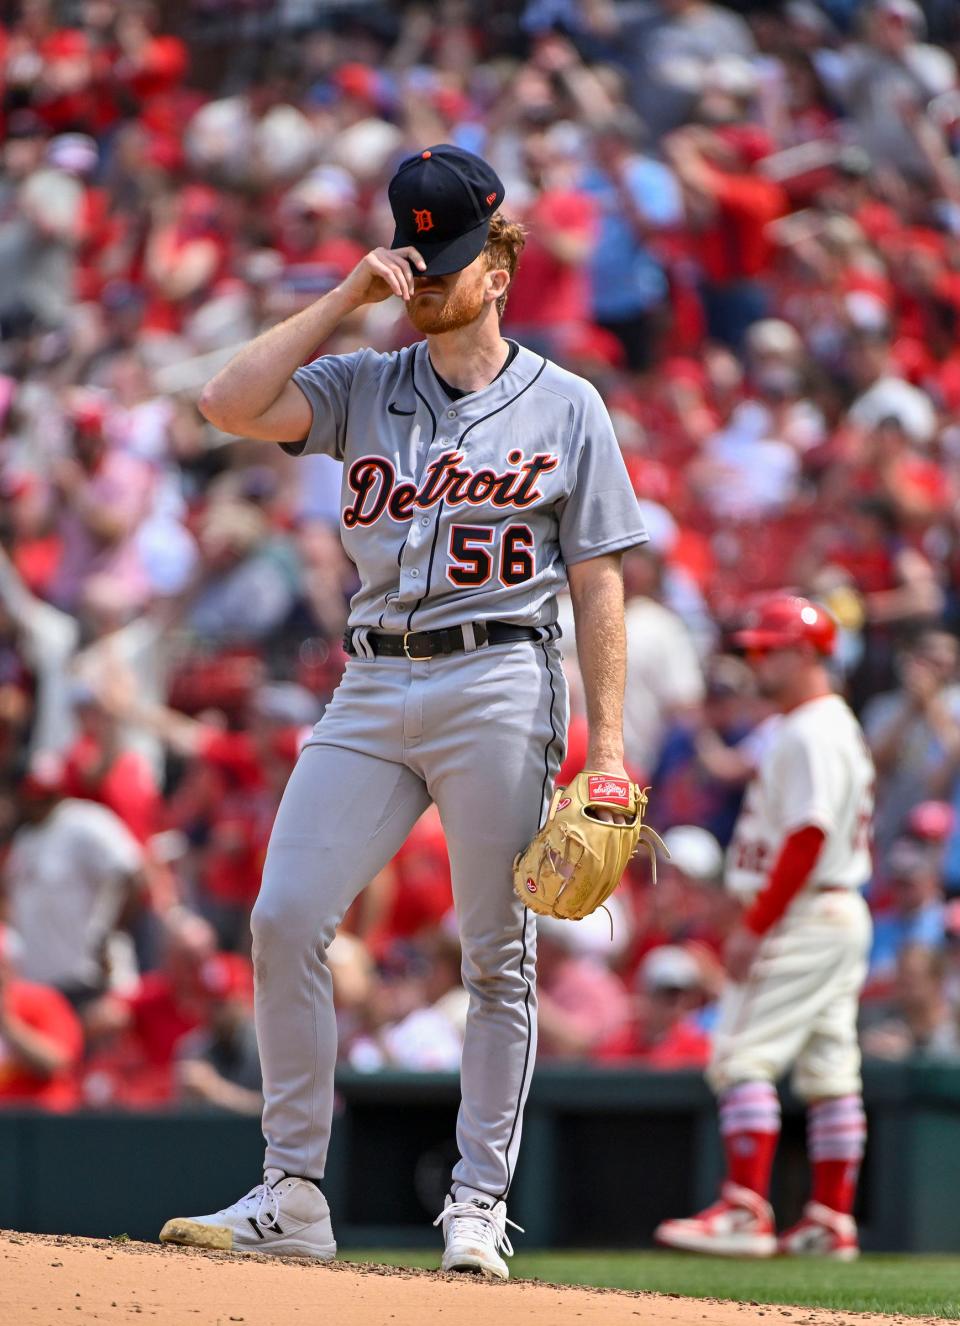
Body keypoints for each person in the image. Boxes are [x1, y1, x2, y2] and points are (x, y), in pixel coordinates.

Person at [158, 143, 647, 1279]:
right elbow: (224, 403)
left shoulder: (567, 406)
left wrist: (610, 748)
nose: (428, 280)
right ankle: (291, 1195)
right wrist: (345, 297)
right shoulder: (361, 383)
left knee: (496, 955)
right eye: (415, 258)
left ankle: (477, 1204)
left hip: (502, 675)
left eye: (450, 260)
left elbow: (601, 578)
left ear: (501, 266)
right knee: (284, 918)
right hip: (373, 678)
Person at [655, 595, 875, 1260]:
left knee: (741, 1056)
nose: (755, 660)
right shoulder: (814, 725)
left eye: (767, 649)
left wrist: (758, 922)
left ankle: (745, 1211)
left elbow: (807, 834)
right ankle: (829, 1219)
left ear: (806, 654)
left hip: (805, 909)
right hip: (833, 908)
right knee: (830, 1067)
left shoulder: (812, 728)